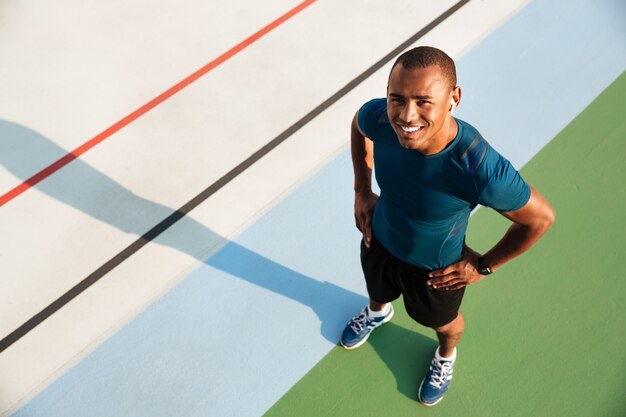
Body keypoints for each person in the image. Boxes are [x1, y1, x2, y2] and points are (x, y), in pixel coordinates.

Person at [340, 46, 555, 406]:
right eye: (398, 99)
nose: (407, 115)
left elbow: (540, 218)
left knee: (445, 324)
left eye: (424, 101)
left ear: (453, 98)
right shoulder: (381, 119)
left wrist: (484, 265)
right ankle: (378, 312)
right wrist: (362, 190)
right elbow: (357, 123)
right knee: (377, 289)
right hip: (378, 236)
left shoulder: (477, 166)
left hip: (436, 272)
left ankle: (445, 356)